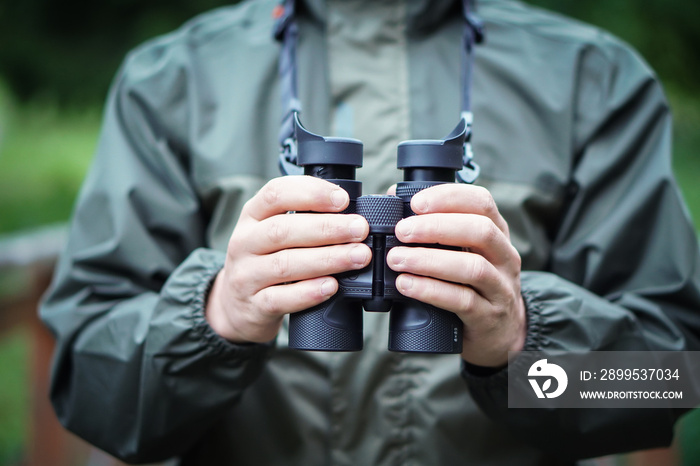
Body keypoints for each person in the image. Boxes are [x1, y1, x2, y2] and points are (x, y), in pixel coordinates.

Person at [40, 0, 700, 464]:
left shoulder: (593, 80)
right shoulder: (173, 81)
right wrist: (216, 315)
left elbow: (663, 383)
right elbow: (86, 394)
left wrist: (522, 343)